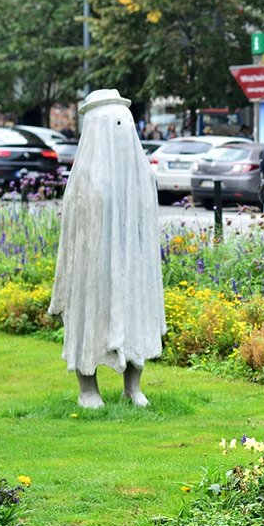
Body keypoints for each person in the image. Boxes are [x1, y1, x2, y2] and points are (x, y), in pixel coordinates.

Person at [48, 89, 166, 409]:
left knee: (135, 316)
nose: (120, 132)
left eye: (123, 125)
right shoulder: (84, 179)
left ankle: (133, 386)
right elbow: (74, 237)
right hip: (91, 269)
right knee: (90, 317)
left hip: (132, 266)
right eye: (113, 125)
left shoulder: (142, 177)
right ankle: (88, 388)